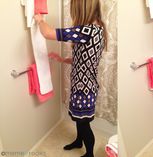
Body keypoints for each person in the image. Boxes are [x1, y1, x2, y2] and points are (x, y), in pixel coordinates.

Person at [34, 0, 107, 157]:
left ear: (81, 8)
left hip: (84, 88)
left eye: (74, 9)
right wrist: (62, 59)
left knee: (84, 123)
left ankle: (89, 154)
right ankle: (79, 141)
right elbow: (85, 58)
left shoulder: (86, 31)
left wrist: (40, 20)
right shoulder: (98, 28)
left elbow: (47, 33)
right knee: (79, 119)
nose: (73, 13)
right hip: (83, 85)